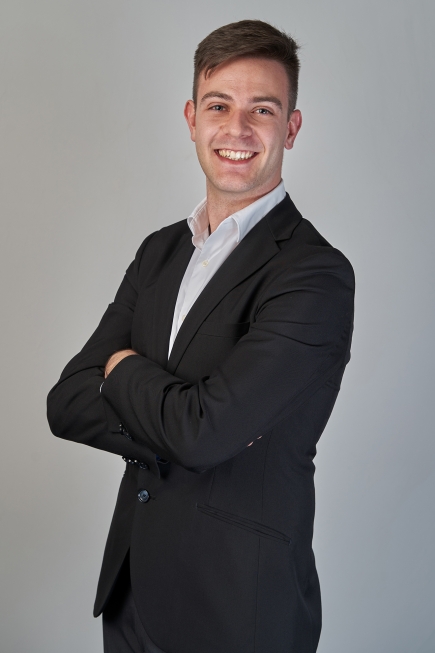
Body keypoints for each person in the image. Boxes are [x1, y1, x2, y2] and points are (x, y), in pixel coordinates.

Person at [47, 19, 354, 653]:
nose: (237, 129)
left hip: (238, 609)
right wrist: (187, 424)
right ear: (192, 119)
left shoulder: (314, 274)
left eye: (262, 109)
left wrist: (123, 371)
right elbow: (68, 401)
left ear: (292, 127)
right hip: (133, 595)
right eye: (219, 106)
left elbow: (205, 433)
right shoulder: (159, 252)